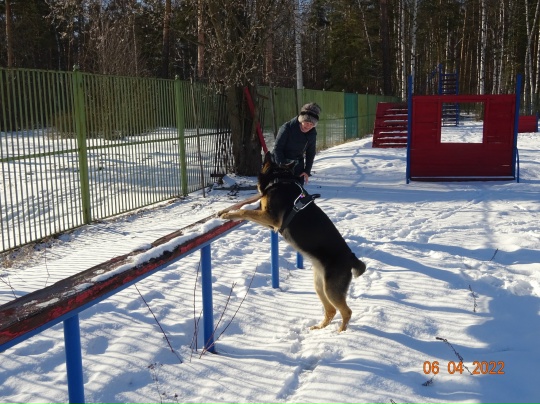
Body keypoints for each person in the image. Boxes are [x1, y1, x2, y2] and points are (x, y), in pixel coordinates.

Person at [272, 102, 321, 185]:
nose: (308, 126)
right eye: (307, 122)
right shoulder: (287, 128)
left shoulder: (312, 133)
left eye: (312, 124)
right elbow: (277, 149)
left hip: (297, 165)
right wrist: (283, 167)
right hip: (280, 164)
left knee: (298, 189)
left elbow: (310, 152)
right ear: (301, 120)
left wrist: (307, 171)